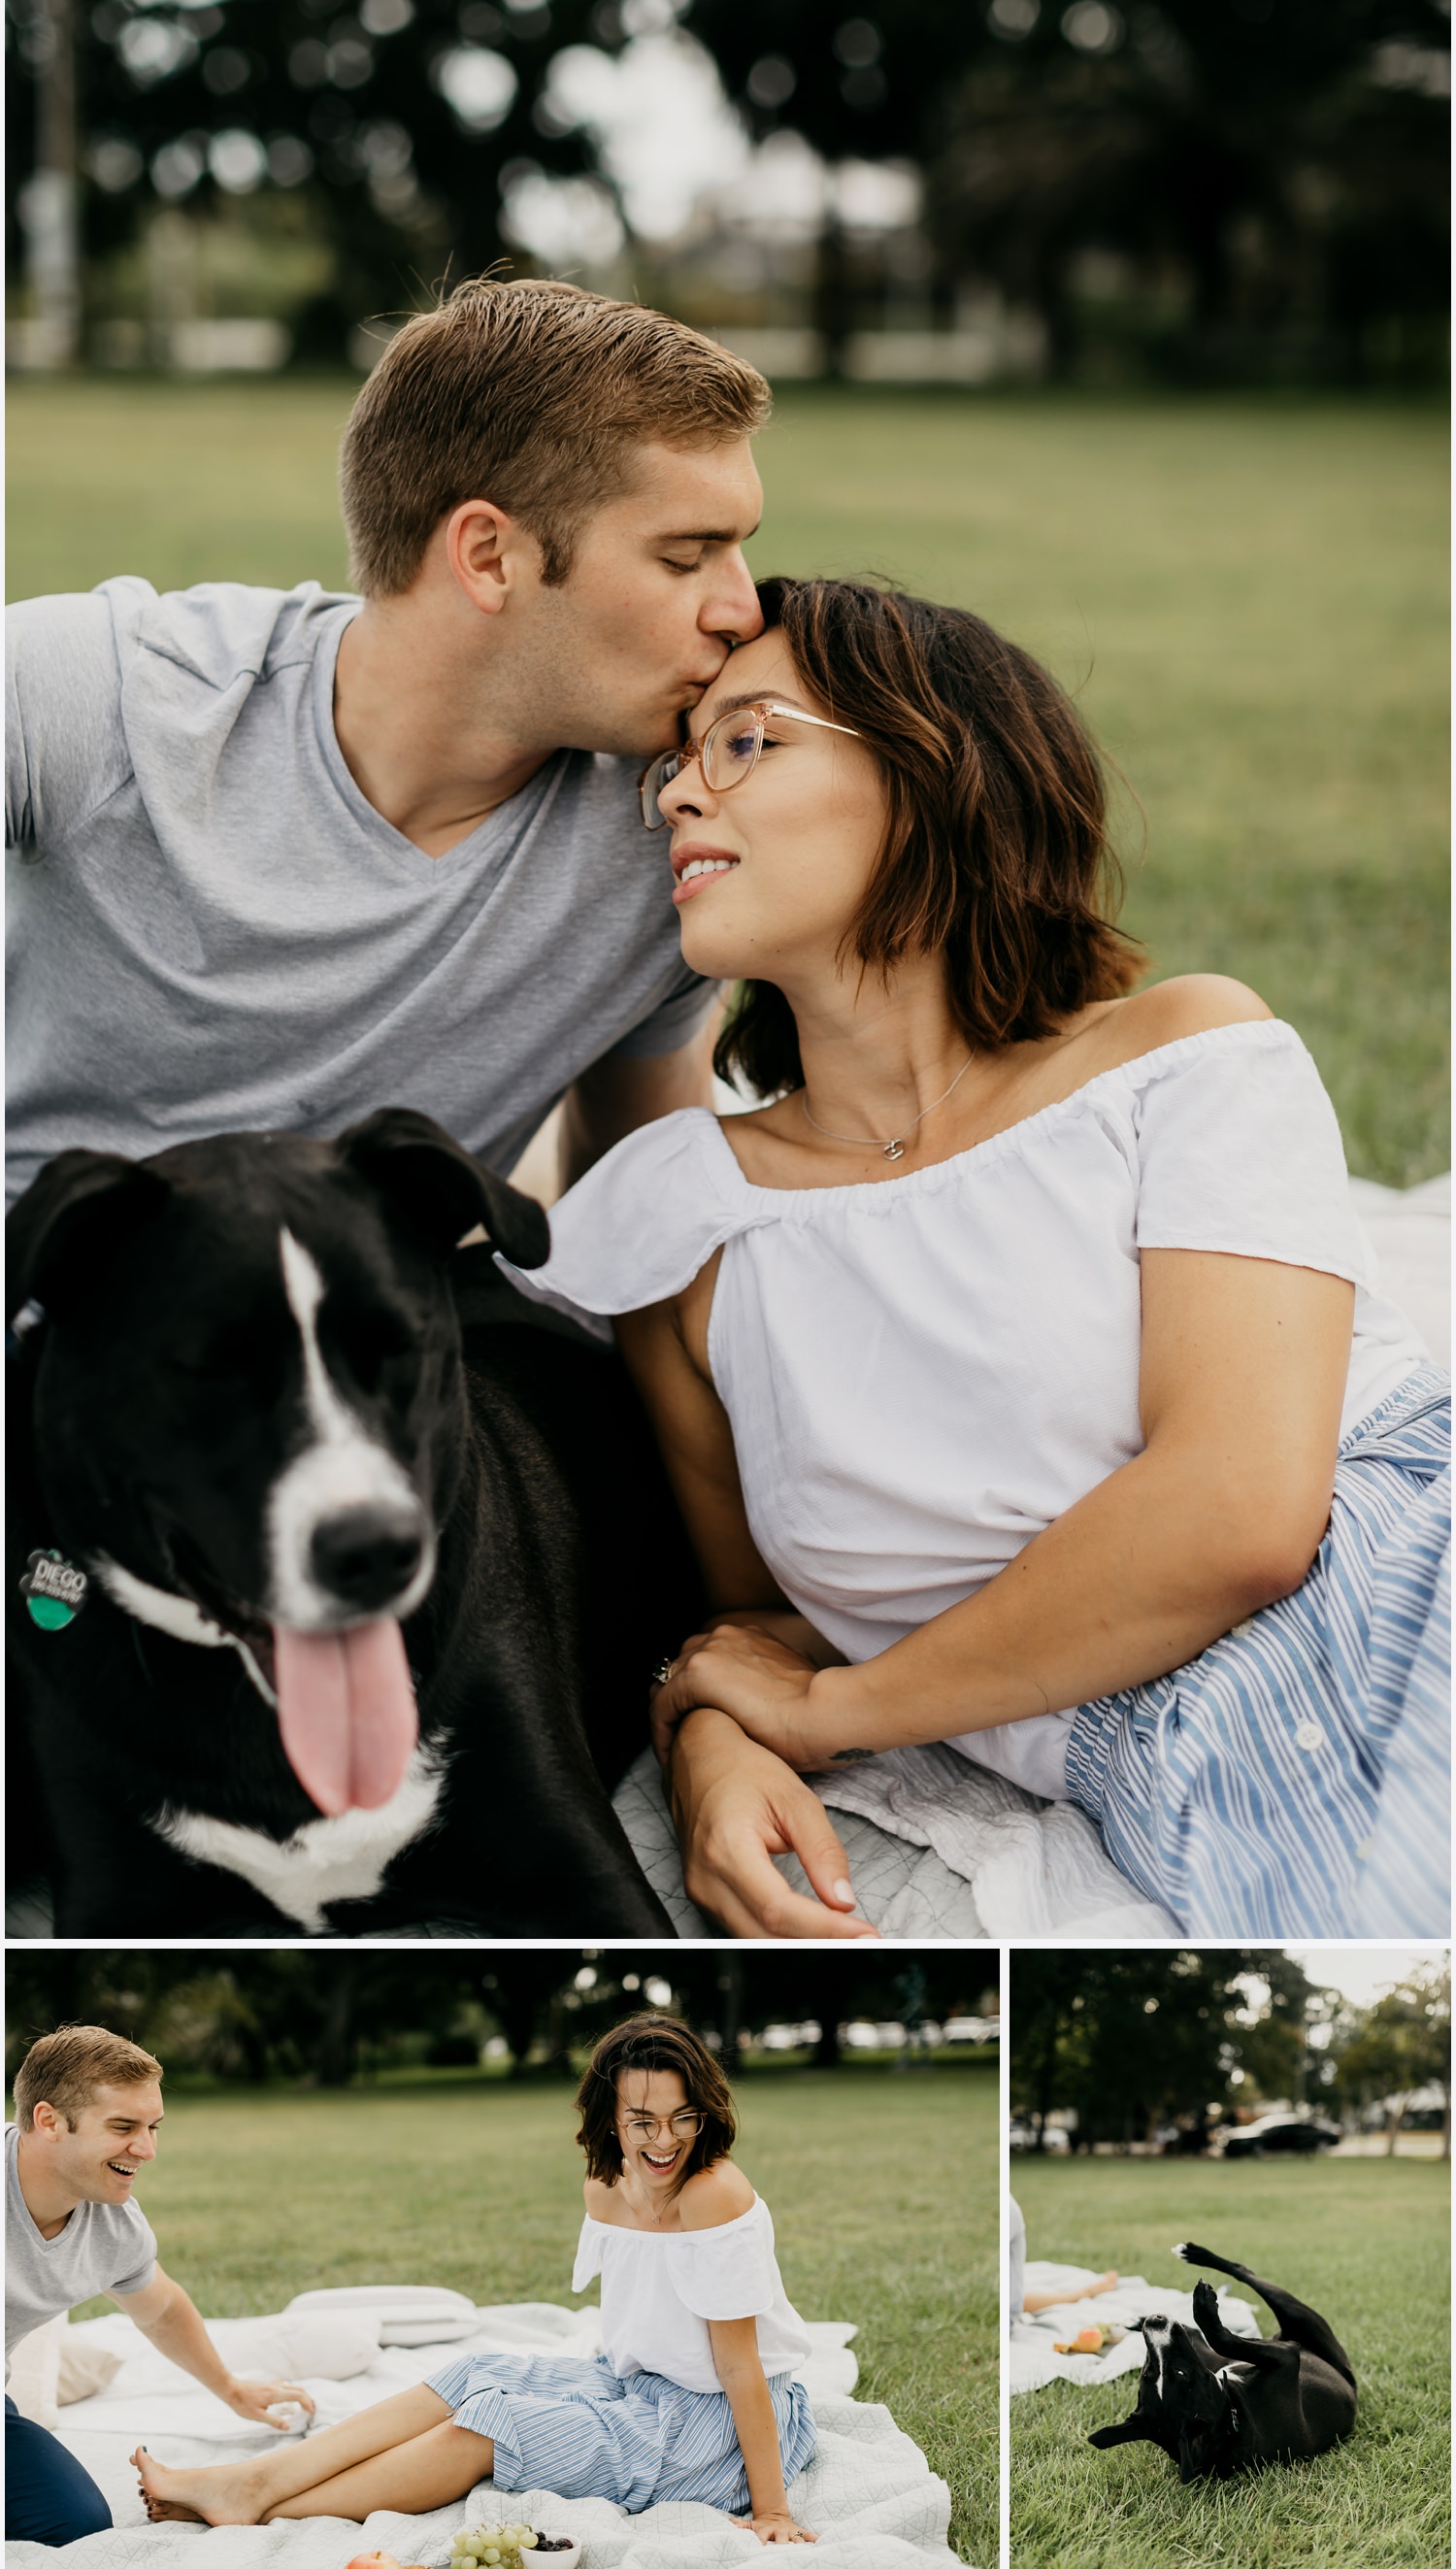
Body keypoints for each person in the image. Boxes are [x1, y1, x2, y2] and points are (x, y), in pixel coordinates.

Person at [502, 575, 1448, 1943]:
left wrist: (837, 1715)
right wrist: (721, 1738)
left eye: (748, 741)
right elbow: (757, 1622)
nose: (678, 798)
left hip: (1400, 1593)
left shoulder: (1177, 1056)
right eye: (673, 764)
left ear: (934, 770)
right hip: (1183, 1776)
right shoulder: (692, 1230)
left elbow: (1242, 1512)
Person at [5, 280, 768, 1209]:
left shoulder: (674, 828)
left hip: (377, 1340)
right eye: (686, 558)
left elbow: (633, 1203)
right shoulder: (106, 695)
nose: (743, 607)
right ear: (488, 557)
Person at [132, 2014, 818, 2545]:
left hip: (717, 2424)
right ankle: (254, 2483)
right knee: (472, 2373)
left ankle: (256, 2501)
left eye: (681, 2117)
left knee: (495, 2424)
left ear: (705, 2111)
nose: (665, 2140)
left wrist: (772, 2510)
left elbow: (738, 2365)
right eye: (642, 2119)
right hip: (638, 2387)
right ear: (611, 2114)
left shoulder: (711, 2193)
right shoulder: (605, 2187)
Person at [7, 2024, 314, 2548]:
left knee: (73, 2524)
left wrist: (230, 2388)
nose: (146, 2149)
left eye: (154, 2127)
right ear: (49, 2120)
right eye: (124, 2126)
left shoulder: (114, 2224)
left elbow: (162, 2310)